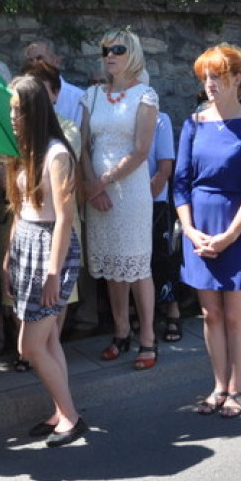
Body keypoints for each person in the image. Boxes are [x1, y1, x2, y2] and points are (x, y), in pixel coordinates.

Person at [176, 43, 241, 419]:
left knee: (234, 315)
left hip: (237, 228)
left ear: (236, 78)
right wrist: (189, 230)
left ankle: (237, 388)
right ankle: (218, 386)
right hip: (198, 229)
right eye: (205, 77)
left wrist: (230, 235)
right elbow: (180, 184)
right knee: (210, 314)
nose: (210, 83)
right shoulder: (192, 124)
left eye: (217, 76)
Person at [5, 75, 86, 447]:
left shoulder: (56, 154)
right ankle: (60, 410)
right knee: (49, 338)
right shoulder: (24, 150)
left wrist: (53, 272)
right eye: (10, 109)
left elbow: (65, 219)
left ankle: (70, 415)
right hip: (26, 243)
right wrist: (9, 255)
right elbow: (20, 208)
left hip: (51, 247)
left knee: (30, 346)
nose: (12, 116)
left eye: (17, 109)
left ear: (34, 111)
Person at [80, 30, 159, 369]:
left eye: (118, 49)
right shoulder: (92, 95)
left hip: (130, 193)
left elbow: (141, 151)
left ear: (133, 53)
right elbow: (83, 145)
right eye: (105, 50)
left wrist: (102, 182)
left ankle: (148, 338)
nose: (110, 55)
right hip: (98, 192)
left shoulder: (145, 95)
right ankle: (121, 331)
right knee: (113, 265)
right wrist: (92, 186)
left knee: (137, 265)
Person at [148, 109, 182, 342]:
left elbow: (165, 168)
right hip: (125, 202)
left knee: (163, 255)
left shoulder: (161, 118)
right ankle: (139, 313)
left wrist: (149, 194)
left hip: (155, 197)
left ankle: (172, 309)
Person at [23, 38, 86, 126]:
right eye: (30, 60)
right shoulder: (23, 99)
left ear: (56, 61)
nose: (34, 64)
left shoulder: (78, 99)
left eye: (40, 58)